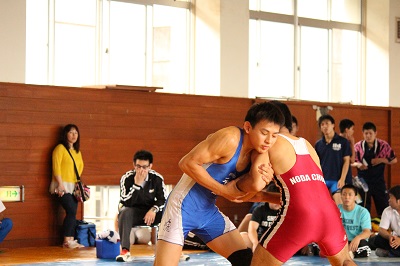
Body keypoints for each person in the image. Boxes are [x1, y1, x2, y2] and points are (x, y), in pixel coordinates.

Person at [154, 101, 285, 266]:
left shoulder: (258, 154)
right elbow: (187, 163)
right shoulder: (230, 138)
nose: (269, 141)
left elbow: (243, 195)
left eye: (274, 135)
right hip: (181, 209)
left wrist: (280, 198)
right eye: (264, 133)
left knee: (245, 260)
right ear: (248, 127)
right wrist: (223, 191)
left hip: (208, 212)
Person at [235, 101, 355, 266]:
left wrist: (233, 187)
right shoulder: (308, 145)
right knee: (345, 262)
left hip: (301, 217)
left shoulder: (269, 143)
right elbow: (304, 191)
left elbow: (255, 184)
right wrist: (263, 196)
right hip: (330, 215)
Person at [116, 150, 166, 262]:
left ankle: (168, 250)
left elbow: (162, 200)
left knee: (169, 214)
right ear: (134, 165)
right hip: (134, 212)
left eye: (144, 167)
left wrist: (153, 209)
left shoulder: (157, 178)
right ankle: (125, 251)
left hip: (151, 212)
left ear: (150, 166)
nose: (141, 170)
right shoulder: (127, 178)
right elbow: (125, 201)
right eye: (138, 166)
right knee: (124, 211)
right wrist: (136, 185)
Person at [49, 124, 85, 249]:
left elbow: (79, 168)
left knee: (73, 212)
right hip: (61, 186)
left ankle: (70, 239)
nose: (74, 135)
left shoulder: (77, 151)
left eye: (76, 132)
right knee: (71, 210)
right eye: (71, 132)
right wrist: (60, 184)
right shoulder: (59, 148)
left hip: (72, 187)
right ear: (65, 134)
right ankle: (67, 240)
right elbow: (56, 167)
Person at [354, 122, 397, 217]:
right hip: (363, 182)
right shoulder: (358, 146)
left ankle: (384, 228)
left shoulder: (383, 145)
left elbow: (394, 160)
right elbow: (352, 162)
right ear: (363, 133)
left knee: (384, 206)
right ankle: (364, 228)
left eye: (370, 133)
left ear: (375, 133)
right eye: (366, 133)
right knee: (363, 207)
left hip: (378, 181)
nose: (368, 136)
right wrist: (359, 165)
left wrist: (380, 160)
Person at [315, 114, 351, 205]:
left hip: (337, 180)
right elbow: (316, 164)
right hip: (323, 180)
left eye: (327, 123)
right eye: (322, 124)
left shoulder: (343, 141)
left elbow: (346, 161)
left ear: (333, 125)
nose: (325, 126)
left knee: (339, 206)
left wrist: (342, 179)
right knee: (319, 204)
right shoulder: (318, 144)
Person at [240, 183, 280, 252]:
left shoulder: (285, 210)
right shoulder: (260, 209)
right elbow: (252, 229)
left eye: (279, 200)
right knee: (242, 236)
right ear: (269, 199)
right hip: (261, 240)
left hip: (279, 242)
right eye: (274, 200)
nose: (277, 203)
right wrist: (255, 243)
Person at [338, 184, 372, 258]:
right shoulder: (336, 210)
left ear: (355, 197)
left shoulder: (363, 212)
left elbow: (367, 232)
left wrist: (358, 238)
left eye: (350, 195)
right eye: (344, 194)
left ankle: (349, 254)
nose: (347, 197)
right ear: (341, 196)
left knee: (364, 248)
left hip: (356, 242)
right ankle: (346, 253)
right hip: (341, 241)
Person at [370, 185, 400, 257]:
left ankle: (389, 253)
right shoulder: (387, 210)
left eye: (391, 197)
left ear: (398, 201)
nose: (389, 200)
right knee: (378, 239)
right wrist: (389, 236)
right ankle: (394, 252)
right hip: (394, 238)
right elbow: (382, 229)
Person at [339, 119, 355, 185]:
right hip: (343, 175)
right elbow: (352, 160)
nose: (353, 131)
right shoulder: (345, 142)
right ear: (346, 130)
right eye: (352, 129)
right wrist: (352, 144)